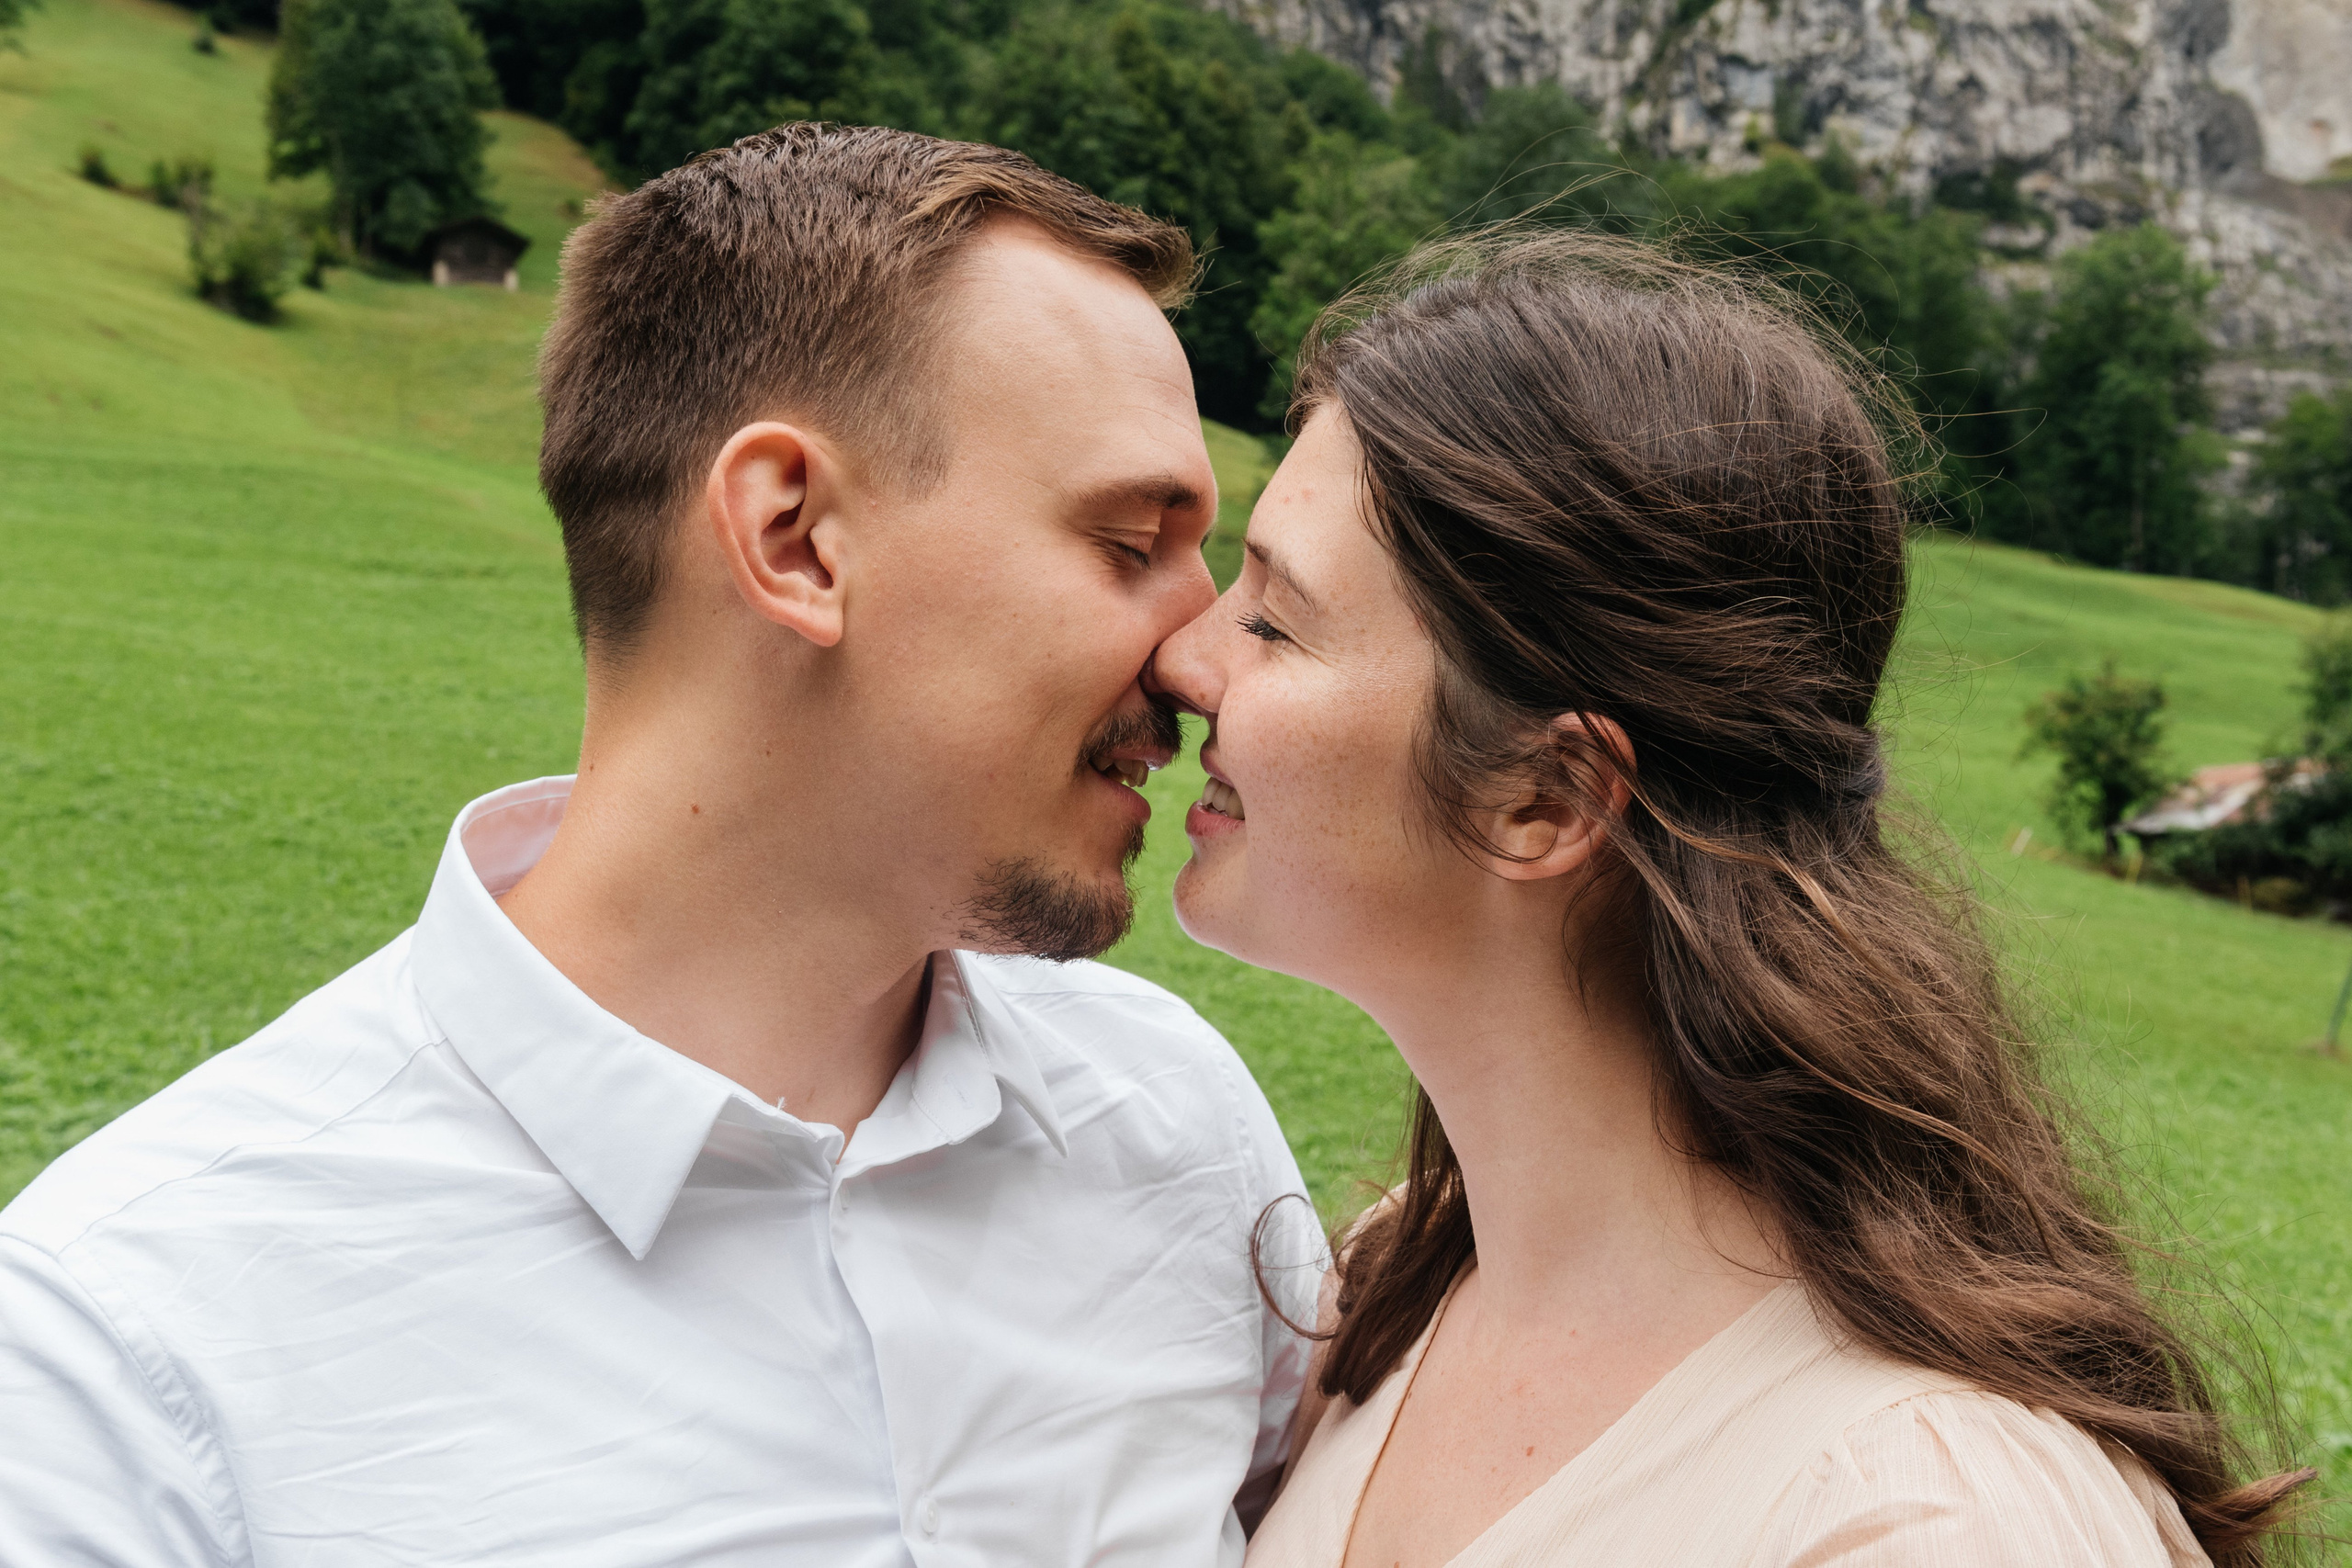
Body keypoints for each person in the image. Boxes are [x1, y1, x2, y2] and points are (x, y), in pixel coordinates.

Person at [0, 125, 1318, 1566]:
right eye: (1130, 543)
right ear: (797, 539)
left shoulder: (1180, 1132)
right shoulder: (127, 1357)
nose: (1204, 660)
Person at [1150, 231, 2309, 1568]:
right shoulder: (1390, 1297)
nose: (1187, 657)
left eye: (1277, 622)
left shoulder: (1926, 1521)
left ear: (1548, 800)